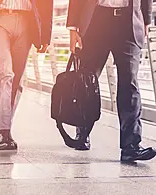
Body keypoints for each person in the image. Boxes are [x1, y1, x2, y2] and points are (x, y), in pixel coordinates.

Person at [67, 0, 156, 162]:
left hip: (129, 22)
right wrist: (73, 27)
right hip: (96, 20)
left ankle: (131, 146)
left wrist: (146, 20)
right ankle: (82, 131)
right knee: (87, 82)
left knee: (130, 83)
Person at [0, 0, 54, 150]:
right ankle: (3, 131)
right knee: (4, 73)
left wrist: (46, 34)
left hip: (27, 22)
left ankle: (7, 126)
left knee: (16, 80)